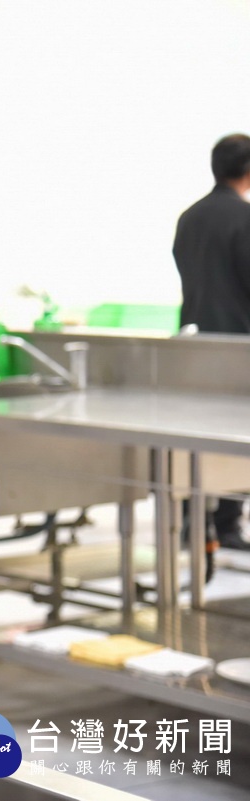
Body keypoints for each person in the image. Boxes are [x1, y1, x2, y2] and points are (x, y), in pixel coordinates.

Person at [173, 134, 250, 550]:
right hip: (239, 345)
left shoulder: (190, 216)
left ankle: (191, 521)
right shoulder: (244, 217)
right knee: (236, 441)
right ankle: (226, 525)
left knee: (196, 440)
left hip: (195, 343)